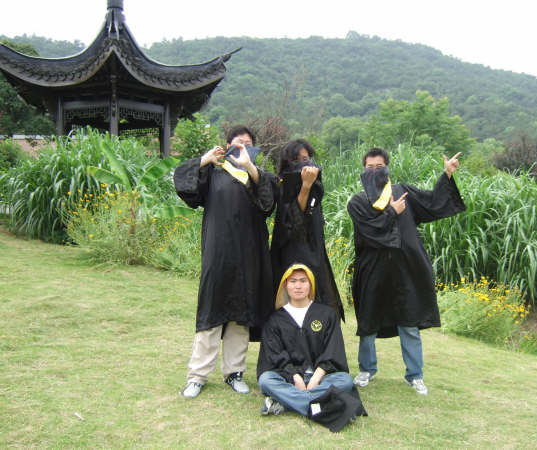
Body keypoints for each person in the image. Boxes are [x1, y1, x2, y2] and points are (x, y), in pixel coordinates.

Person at [347, 147, 465, 395]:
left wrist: (447, 174)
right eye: (369, 167)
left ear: (387, 168)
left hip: (405, 269)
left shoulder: (403, 193)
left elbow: (433, 203)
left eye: (379, 167)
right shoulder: (357, 202)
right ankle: (366, 370)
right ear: (363, 169)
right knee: (368, 322)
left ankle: (415, 375)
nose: (374, 171)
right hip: (373, 269)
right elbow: (370, 232)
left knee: (408, 320)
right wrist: (392, 211)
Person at [174, 125, 275, 398]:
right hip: (217, 254)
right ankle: (197, 376)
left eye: (248, 143)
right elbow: (185, 187)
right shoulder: (214, 175)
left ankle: (234, 372)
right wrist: (204, 160)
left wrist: (250, 168)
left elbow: (268, 204)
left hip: (249, 255)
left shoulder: (258, 177)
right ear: (228, 146)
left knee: (241, 316)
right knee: (211, 312)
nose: (243, 146)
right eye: (238, 142)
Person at [257, 264, 365, 430]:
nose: (298, 286)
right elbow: (275, 355)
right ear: (286, 285)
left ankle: (286, 402)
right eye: (293, 281)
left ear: (311, 284)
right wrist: (295, 377)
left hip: (321, 379)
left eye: (303, 281)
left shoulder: (327, 314)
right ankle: (330, 407)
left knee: (345, 380)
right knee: (266, 380)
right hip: (289, 379)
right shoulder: (275, 320)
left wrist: (315, 378)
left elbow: (333, 350)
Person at [270, 139, 344, 319]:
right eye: (297, 159)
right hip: (289, 250)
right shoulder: (283, 184)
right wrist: (305, 186)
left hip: (313, 249)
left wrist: (309, 185)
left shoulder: (315, 183)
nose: (304, 164)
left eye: (306, 158)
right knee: (291, 299)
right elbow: (295, 220)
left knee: (315, 295)